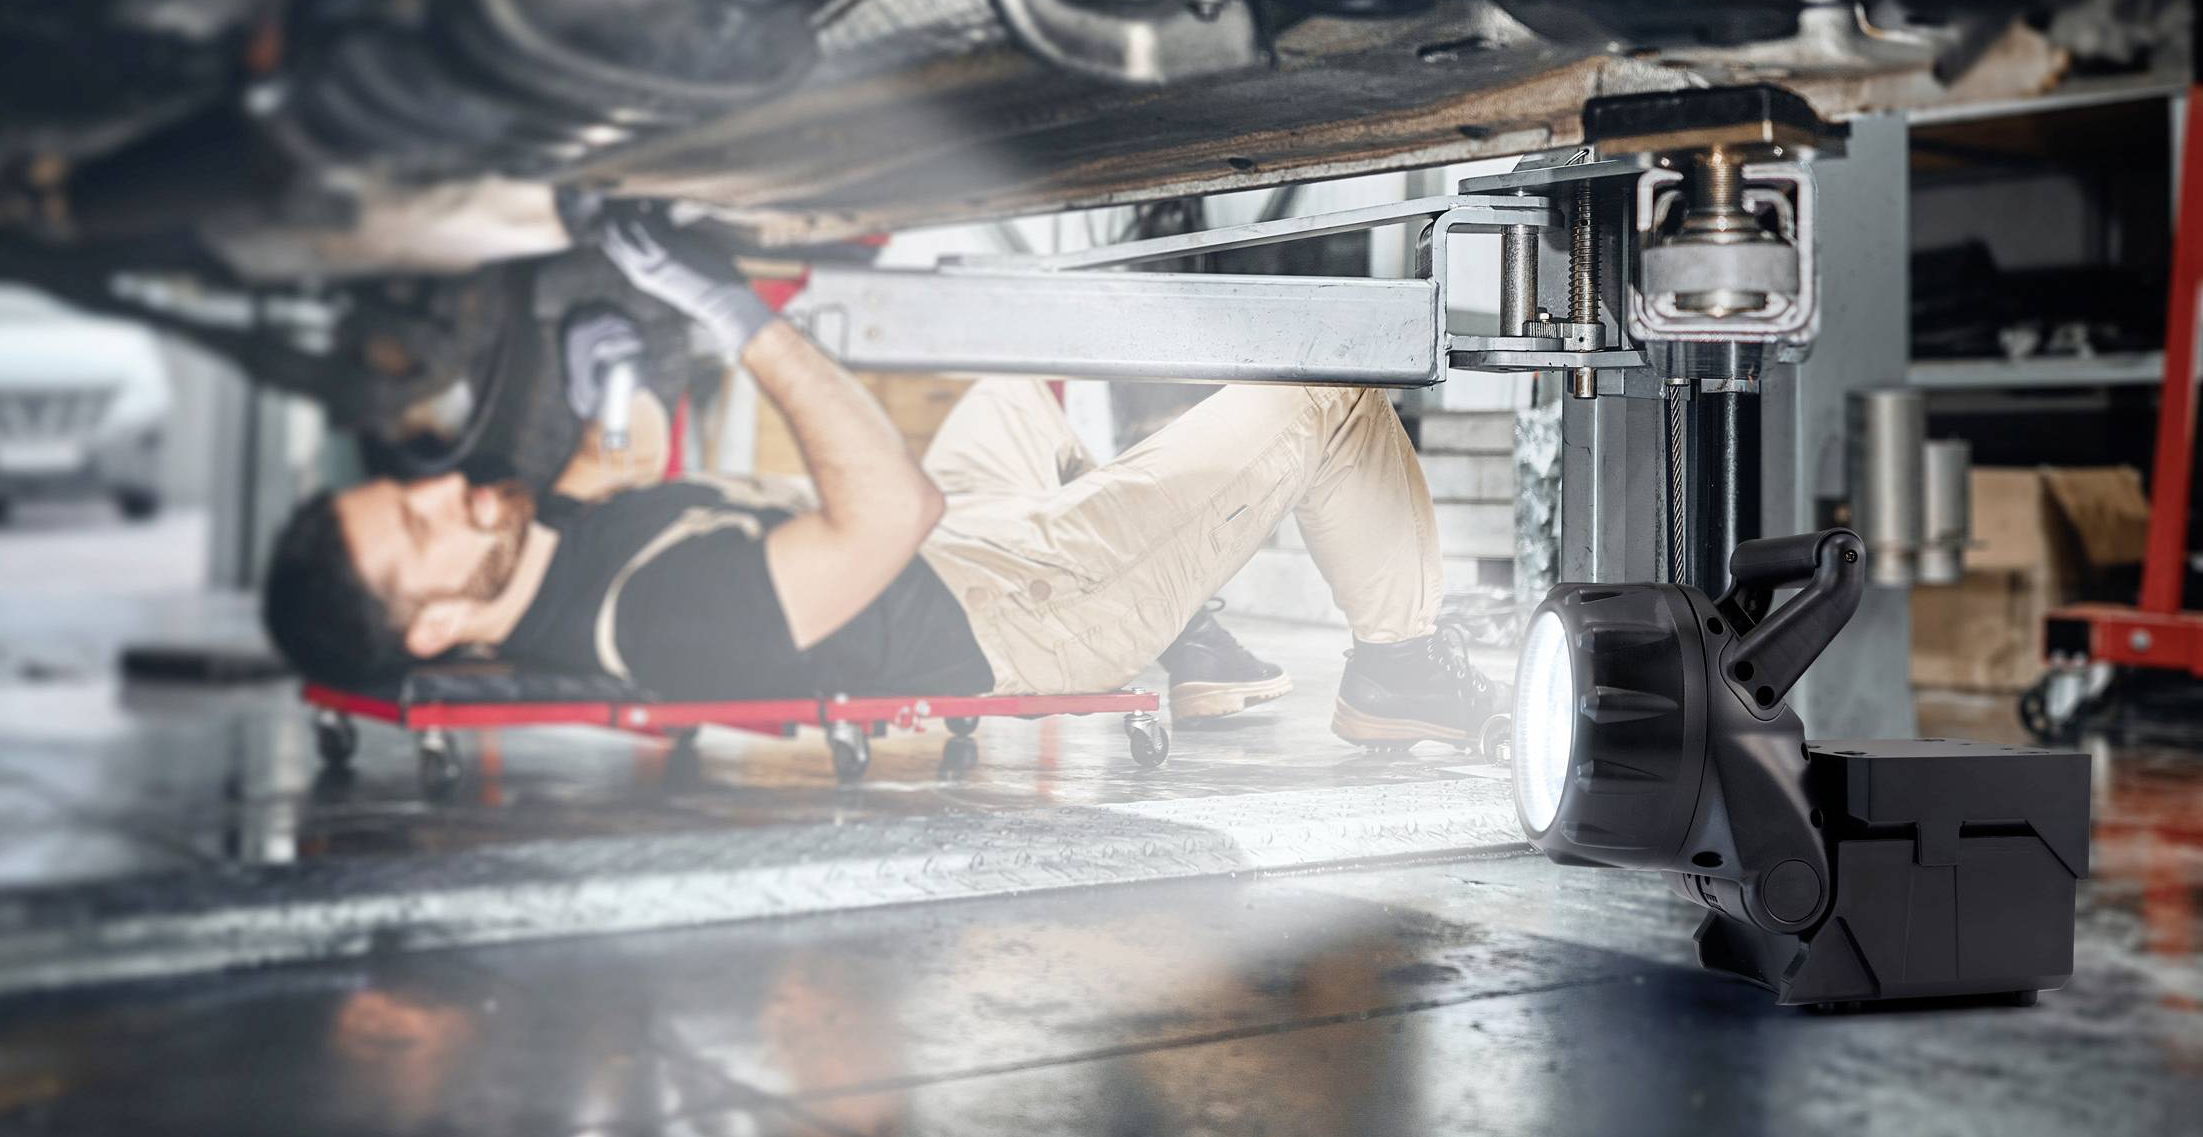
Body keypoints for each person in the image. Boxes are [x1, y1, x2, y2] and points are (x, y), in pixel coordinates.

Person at [263, 209, 1504, 747]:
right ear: (433, 625)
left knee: (1012, 383)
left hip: (958, 552)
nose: (441, 488)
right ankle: (1393, 665)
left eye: (406, 488)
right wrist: (741, 316)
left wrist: (621, 356)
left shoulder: (542, 553)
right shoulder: (657, 621)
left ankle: (1192, 608)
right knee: (1320, 395)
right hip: (1022, 618)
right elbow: (888, 510)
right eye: (416, 529)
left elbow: (608, 463)